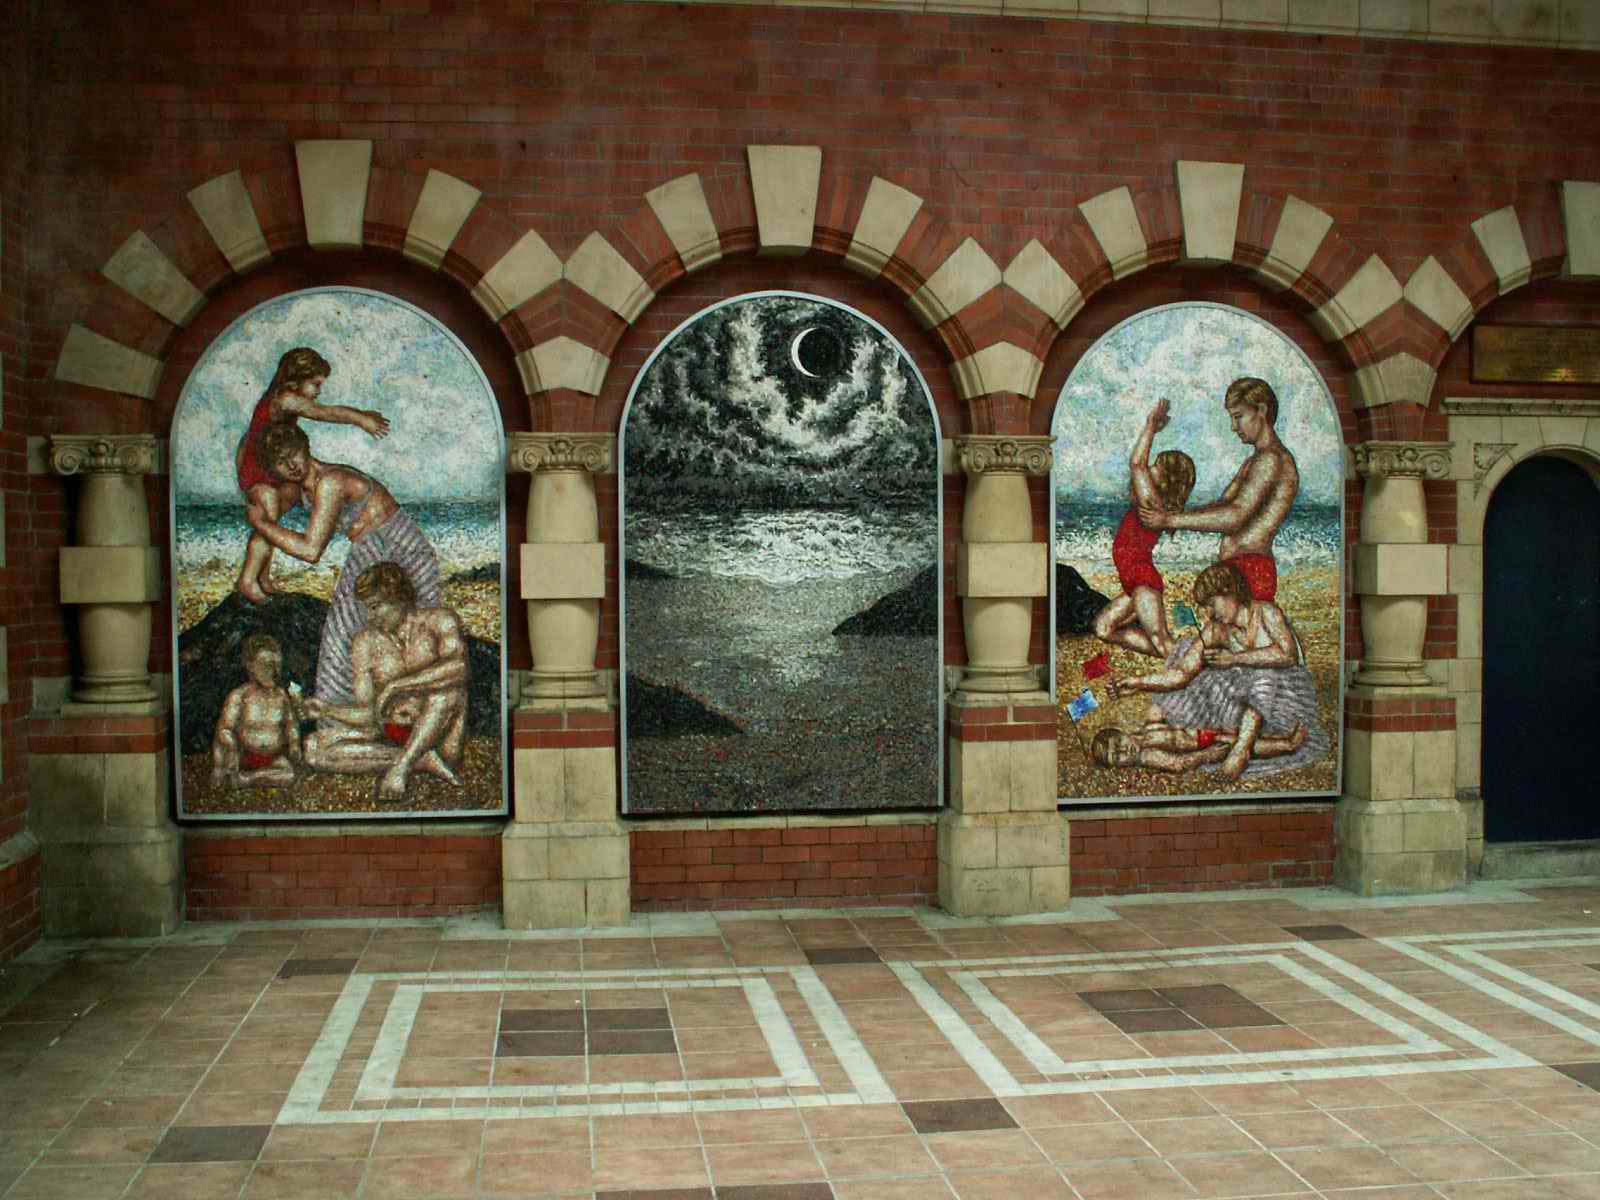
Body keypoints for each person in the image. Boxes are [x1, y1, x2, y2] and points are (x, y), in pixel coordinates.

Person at [249, 422, 442, 708]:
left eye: (294, 453)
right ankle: (346, 714)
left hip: (402, 548)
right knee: (346, 630)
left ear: (305, 447)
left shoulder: (331, 482)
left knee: (414, 632)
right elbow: (271, 504)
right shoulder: (302, 488)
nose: (291, 465)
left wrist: (261, 523)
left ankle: (400, 713)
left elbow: (310, 550)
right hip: (371, 549)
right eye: (280, 461)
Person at [1106, 560, 1327, 781]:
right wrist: (1138, 683)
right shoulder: (1215, 630)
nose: (1209, 613)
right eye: (1205, 607)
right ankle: (1240, 744)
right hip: (1248, 706)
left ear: (1230, 592)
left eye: (1212, 604)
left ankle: (1242, 750)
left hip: (1284, 698)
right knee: (1192, 661)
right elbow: (1182, 673)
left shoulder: (1266, 612)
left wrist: (1234, 659)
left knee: (1262, 675)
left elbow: (1288, 655)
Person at [234, 348, 391, 605]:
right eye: (315, 384)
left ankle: (262, 577)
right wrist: (361, 419)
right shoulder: (286, 399)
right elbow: (325, 412)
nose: (318, 391)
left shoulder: (280, 398)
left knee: (272, 519)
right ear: (296, 380)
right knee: (268, 514)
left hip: (270, 466)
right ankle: (248, 579)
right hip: (259, 469)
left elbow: (247, 437)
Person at [301, 562, 467, 800]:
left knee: (445, 690)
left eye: (375, 607)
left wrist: (395, 686)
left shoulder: (440, 621)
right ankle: (422, 761)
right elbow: (370, 714)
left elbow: (459, 669)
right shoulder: (365, 643)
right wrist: (327, 710)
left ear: (398, 597)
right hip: (391, 736)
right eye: (367, 609)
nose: (370, 617)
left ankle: (403, 766)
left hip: (440, 734)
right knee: (314, 748)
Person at [1138, 377, 1297, 602]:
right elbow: (1223, 506)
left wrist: (1169, 520)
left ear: (1261, 410)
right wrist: (1172, 510)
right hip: (1238, 568)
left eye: (1238, 417)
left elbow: (1235, 517)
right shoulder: (1255, 461)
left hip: (1251, 570)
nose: (1233, 427)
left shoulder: (1271, 459)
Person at [1094, 397, 1196, 656]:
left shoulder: (1151, 502)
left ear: (1166, 479)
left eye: (1157, 466)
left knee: (1161, 639)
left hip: (1142, 582)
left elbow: (1137, 464)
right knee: (1104, 628)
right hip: (1134, 583)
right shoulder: (1153, 502)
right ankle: (1182, 656)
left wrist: (1151, 426)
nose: (1150, 468)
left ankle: (1188, 663)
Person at [210, 633, 300, 789]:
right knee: (226, 757)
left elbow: (291, 724)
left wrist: (294, 744)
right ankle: (237, 775)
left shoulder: (282, 696)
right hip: (243, 754)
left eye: (276, 666)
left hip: (272, 758)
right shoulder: (240, 696)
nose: (273, 672)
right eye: (266, 665)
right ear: (250, 666)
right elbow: (224, 729)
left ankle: (246, 780)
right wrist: (232, 746)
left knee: (289, 775)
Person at [1092, 716, 1307, 774]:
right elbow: (1179, 763)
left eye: (1119, 743)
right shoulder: (1147, 756)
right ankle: (1288, 744)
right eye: (1117, 756)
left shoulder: (1142, 732)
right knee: (1241, 744)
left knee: (1240, 729)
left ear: (1123, 733)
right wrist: (1207, 755)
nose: (1124, 750)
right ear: (1119, 766)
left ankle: (1275, 728)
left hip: (1200, 728)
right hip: (1203, 744)